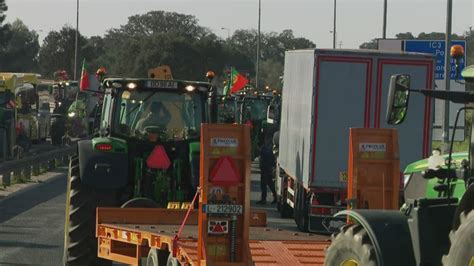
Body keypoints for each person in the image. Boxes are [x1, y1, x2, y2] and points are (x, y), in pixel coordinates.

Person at [256, 121, 278, 204]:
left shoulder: (268, 138)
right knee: (269, 183)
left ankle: (264, 199)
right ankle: (273, 197)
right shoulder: (268, 137)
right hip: (267, 164)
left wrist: (260, 150)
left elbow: (267, 151)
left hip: (266, 164)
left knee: (264, 183)